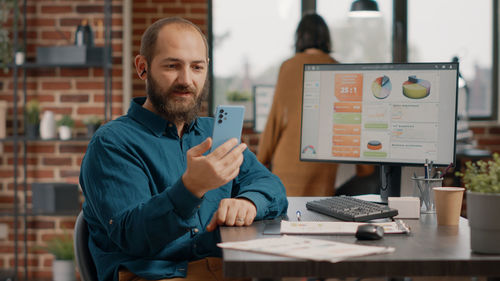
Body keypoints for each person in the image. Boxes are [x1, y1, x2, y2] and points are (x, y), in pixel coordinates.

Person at [79, 17, 288, 281]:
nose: (186, 80)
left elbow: (271, 185)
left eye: (196, 67)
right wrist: (190, 188)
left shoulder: (215, 134)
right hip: (153, 275)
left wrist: (249, 202)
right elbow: (132, 236)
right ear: (143, 68)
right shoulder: (112, 144)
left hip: (220, 267)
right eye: (172, 66)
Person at [257, 13, 373, 196]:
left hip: (287, 161)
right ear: (326, 39)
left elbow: (275, 119)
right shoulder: (338, 68)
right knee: (319, 219)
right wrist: (364, 166)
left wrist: (261, 160)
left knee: (286, 219)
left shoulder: (288, 67)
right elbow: (350, 121)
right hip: (321, 163)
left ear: (299, 38)